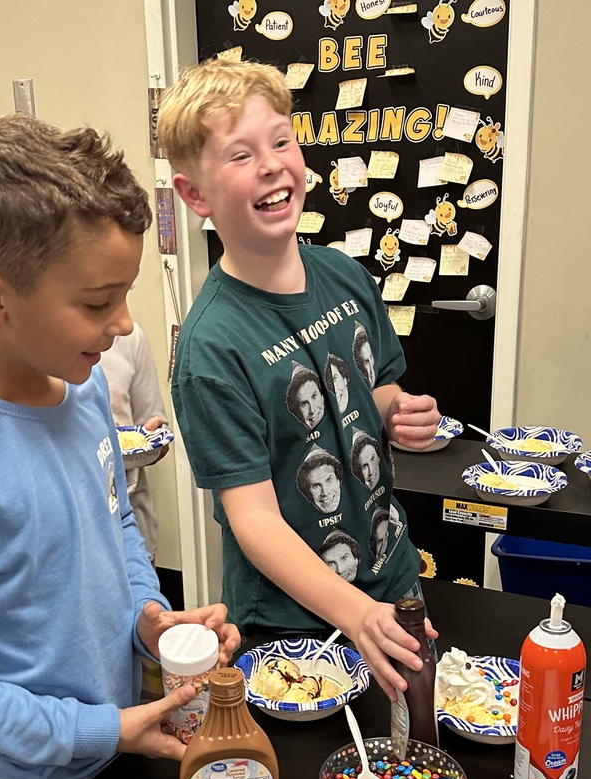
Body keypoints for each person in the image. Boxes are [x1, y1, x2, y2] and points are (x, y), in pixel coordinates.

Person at [0, 114, 240, 779]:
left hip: (114, 736)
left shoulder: (87, 384)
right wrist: (93, 730)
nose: (124, 323)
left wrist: (149, 618)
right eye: (100, 301)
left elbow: (115, 521)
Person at [157, 58, 440, 699]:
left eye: (281, 140)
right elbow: (252, 518)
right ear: (195, 195)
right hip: (293, 633)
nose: (270, 164)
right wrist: (353, 614)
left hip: (391, 583)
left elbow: (375, 393)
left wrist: (399, 412)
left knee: (407, 773)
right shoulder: (211, 348)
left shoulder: (344, 275)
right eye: (239, 154)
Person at [100, 322, 170, 561]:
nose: (124, 320)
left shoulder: (129, 336)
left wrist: (151, 443)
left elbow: (151, 422)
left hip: (133, 532)